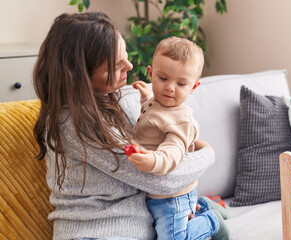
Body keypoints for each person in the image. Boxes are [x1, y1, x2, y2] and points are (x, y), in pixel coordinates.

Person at [33, 12, 216, 240]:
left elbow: (164, 144)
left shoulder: (117, 98)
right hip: (94, 232)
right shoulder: (73, 124)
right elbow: (160, 179)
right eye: (115, 65)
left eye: (126, 56)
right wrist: (207, 154)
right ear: (80, 75)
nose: (130, 66)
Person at [128, 37, 229, 240]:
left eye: (181, 83)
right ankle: (205, 205)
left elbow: (173, 152)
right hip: (154, 194)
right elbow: (153, 114)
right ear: (150, 73)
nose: (170, 88)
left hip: (174, 196)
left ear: (193, 86)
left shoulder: (182, 121)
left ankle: (211, 221)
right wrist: (145, 95)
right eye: (163, 78)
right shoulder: (156, 102)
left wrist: (152, 160)